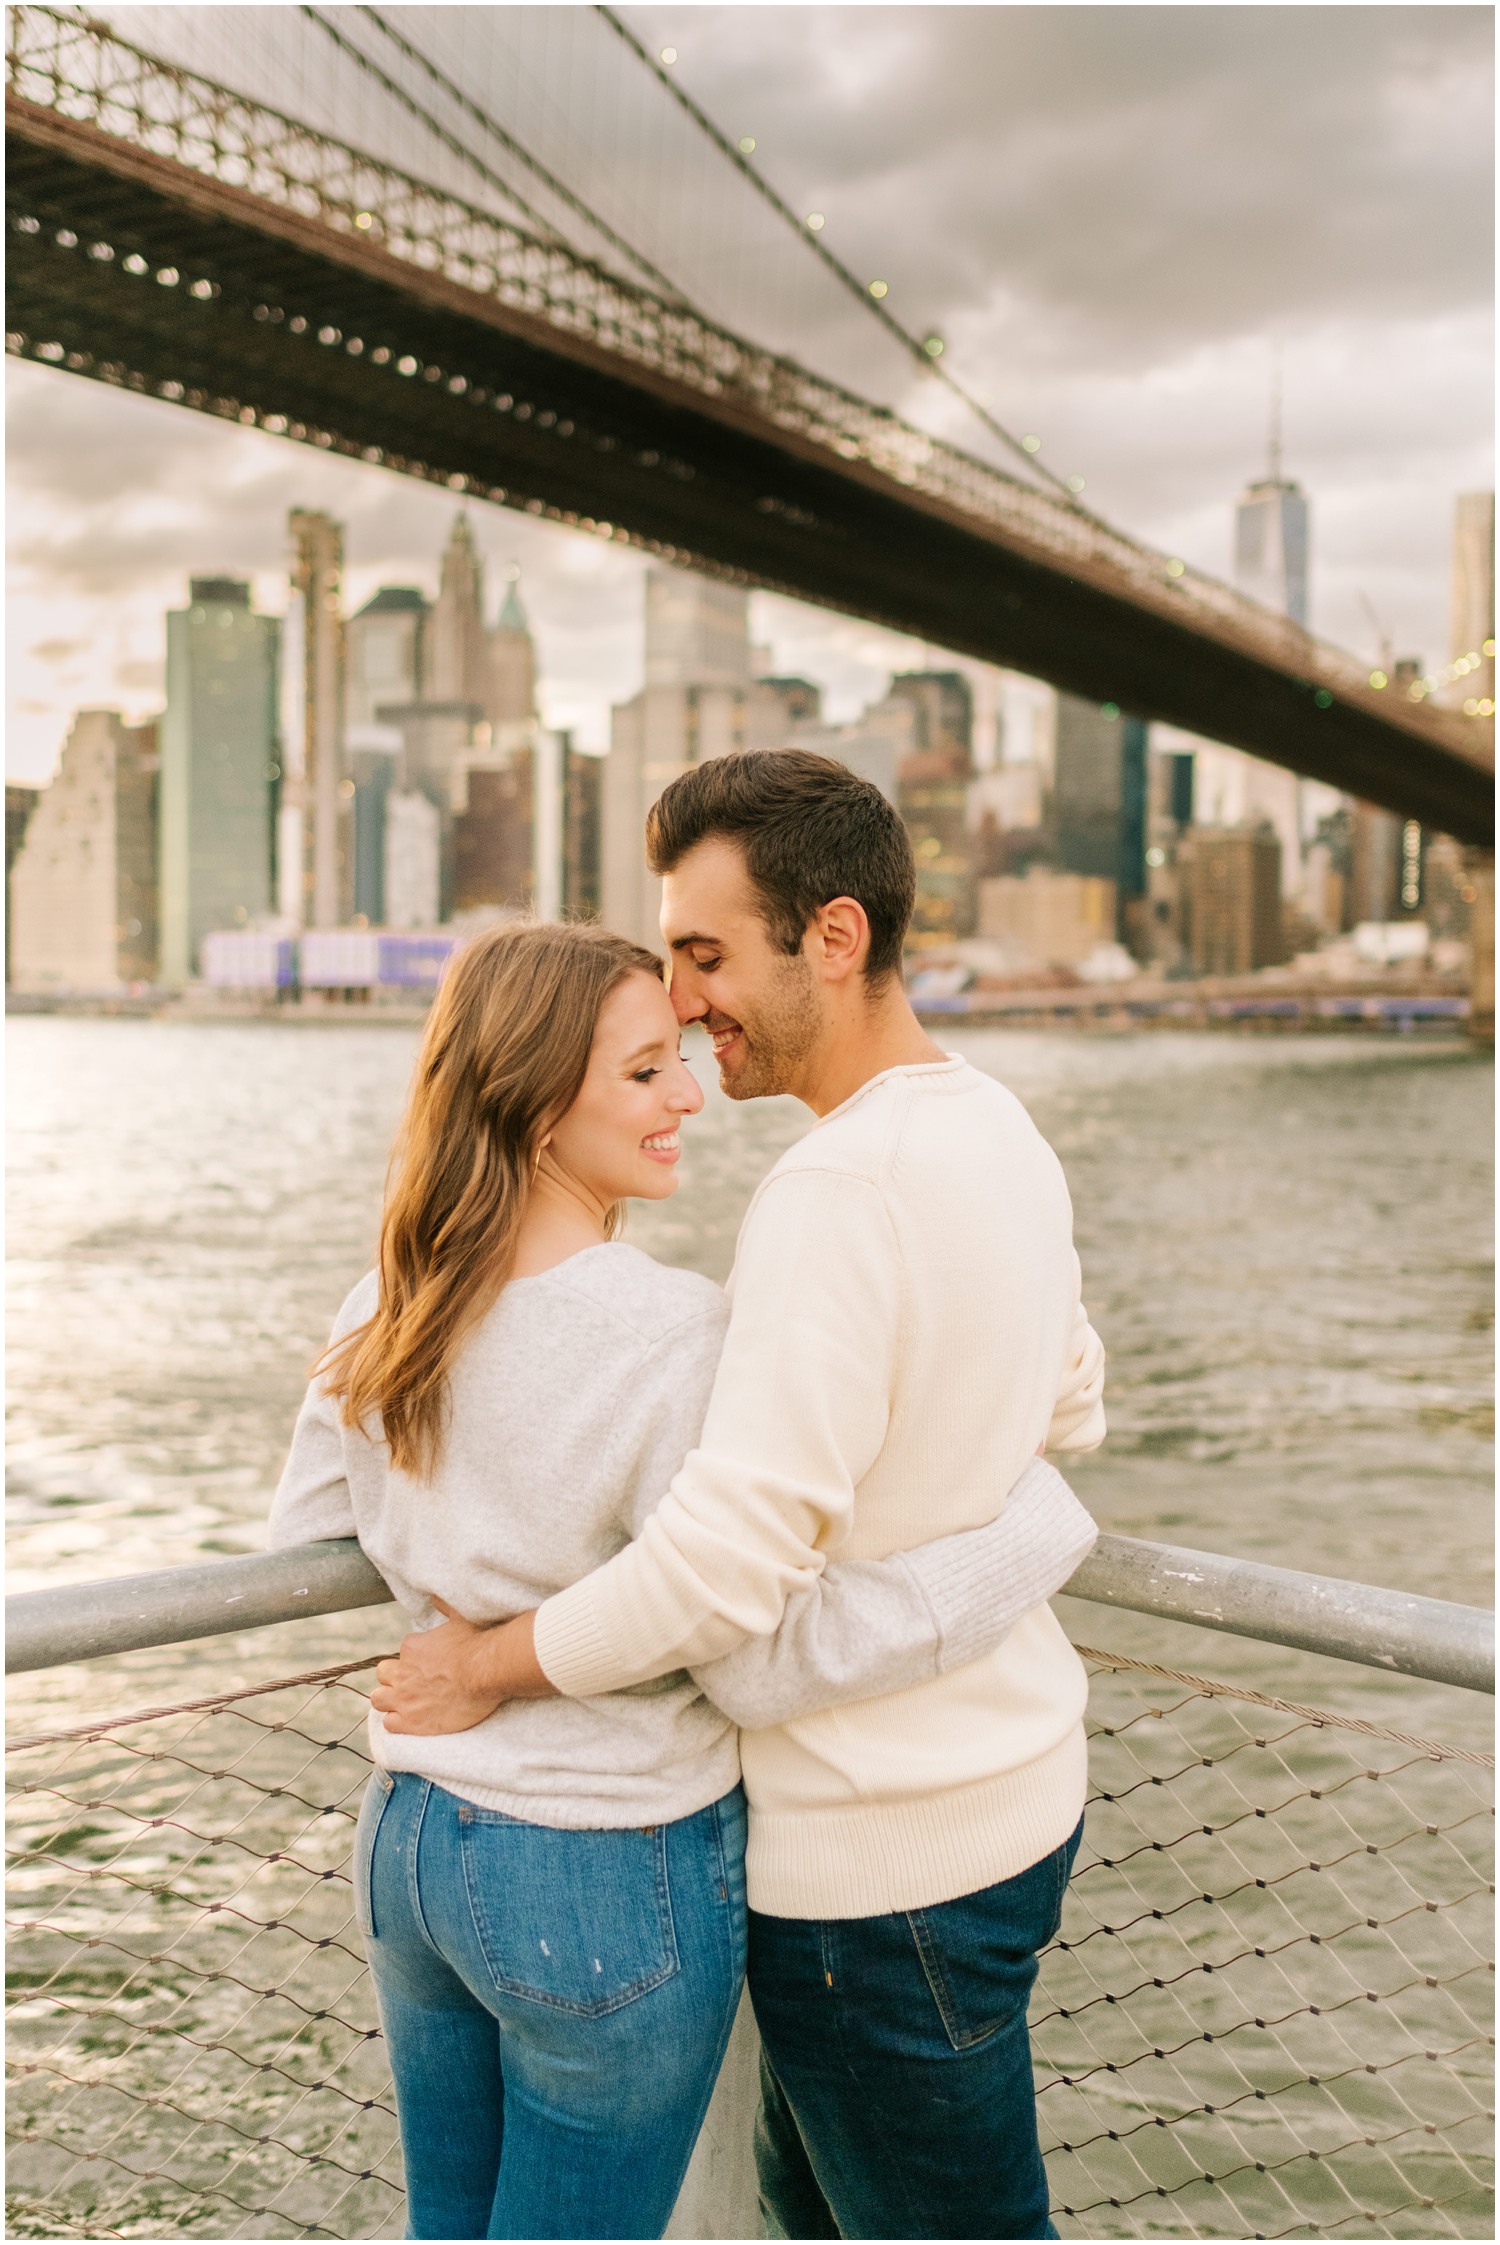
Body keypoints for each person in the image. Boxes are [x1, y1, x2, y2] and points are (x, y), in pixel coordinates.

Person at [271, 915, 1099, 2242]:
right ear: (540, 1101)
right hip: (595, 1876)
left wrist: (471, 1593)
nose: (690, 1095)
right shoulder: (674, 1335)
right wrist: (1030, 1529)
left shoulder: (386, 1300)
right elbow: (752, 1651)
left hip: (410, 1841)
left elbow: (310, 1533)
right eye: (647, 1070)